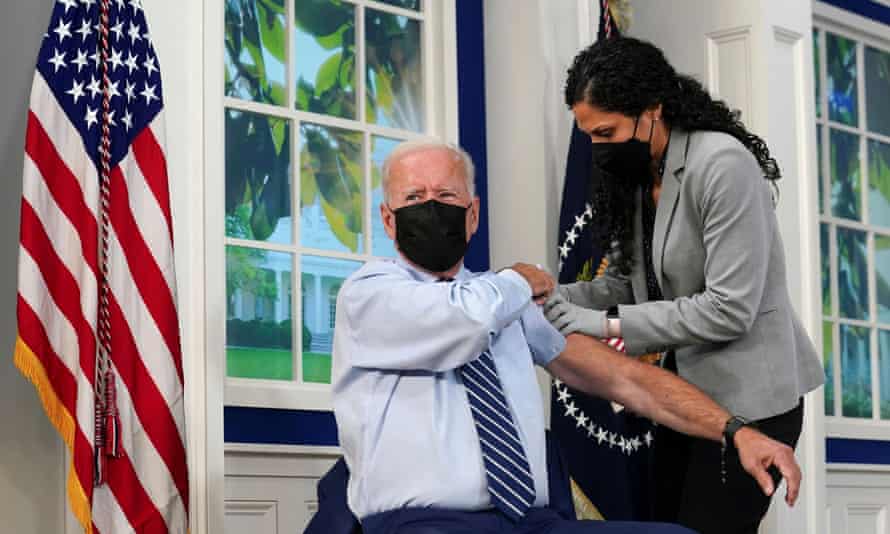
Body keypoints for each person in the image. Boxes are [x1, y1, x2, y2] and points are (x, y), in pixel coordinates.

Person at [331, 139, 803, 534]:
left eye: (446, 196)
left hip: (532, 523)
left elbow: (627, 381)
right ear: (389, 220)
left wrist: (735, 430)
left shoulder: (499, 301)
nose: (431, 207)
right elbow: (464, 320)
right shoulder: (370, 294)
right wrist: (518, 279)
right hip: (423, 523)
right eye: (413, 198)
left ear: (473, 215)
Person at [545, 37, 825, 534]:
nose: (598, 148)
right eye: (589, 136)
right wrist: (553, 297)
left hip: (753, 402)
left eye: (606, 131)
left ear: (652, 109)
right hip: (685, 401)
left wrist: (603, 325)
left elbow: (728, 309)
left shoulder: (721, 164)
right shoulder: (636, 173)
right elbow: (626, 284)